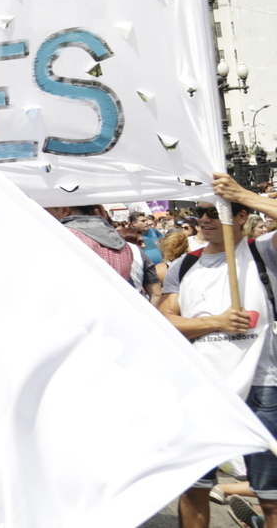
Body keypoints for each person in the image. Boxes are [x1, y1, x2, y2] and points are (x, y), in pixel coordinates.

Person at [160, 178, 275, 528]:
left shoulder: (263, 251)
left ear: (241, 217)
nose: (205, 219)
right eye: (201, 213)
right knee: (193, 489)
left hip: (263, 387)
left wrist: (242, 194)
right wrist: (216, 322)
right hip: (203, 388)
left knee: (271, 498)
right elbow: (165, 321)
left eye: (216, 212)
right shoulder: (184, 265)